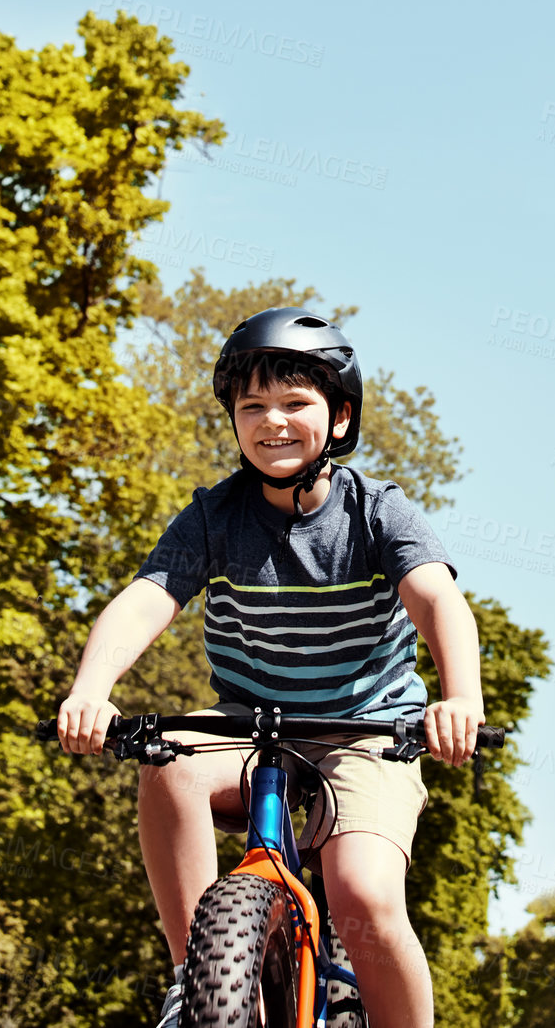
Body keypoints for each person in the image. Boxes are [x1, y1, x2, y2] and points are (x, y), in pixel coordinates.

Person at [55, 307, 484, 1028]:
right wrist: (90, 690)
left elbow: (436, 599)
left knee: (363, 898)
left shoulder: (378, 512)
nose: (271, 421)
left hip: (368, 732)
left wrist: (457, 698)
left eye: (295, 403)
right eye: (251, 406)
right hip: (246, 724)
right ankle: (197, 975)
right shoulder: (213, 516)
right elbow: (144, 601)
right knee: (170, 763)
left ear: (339, 419)